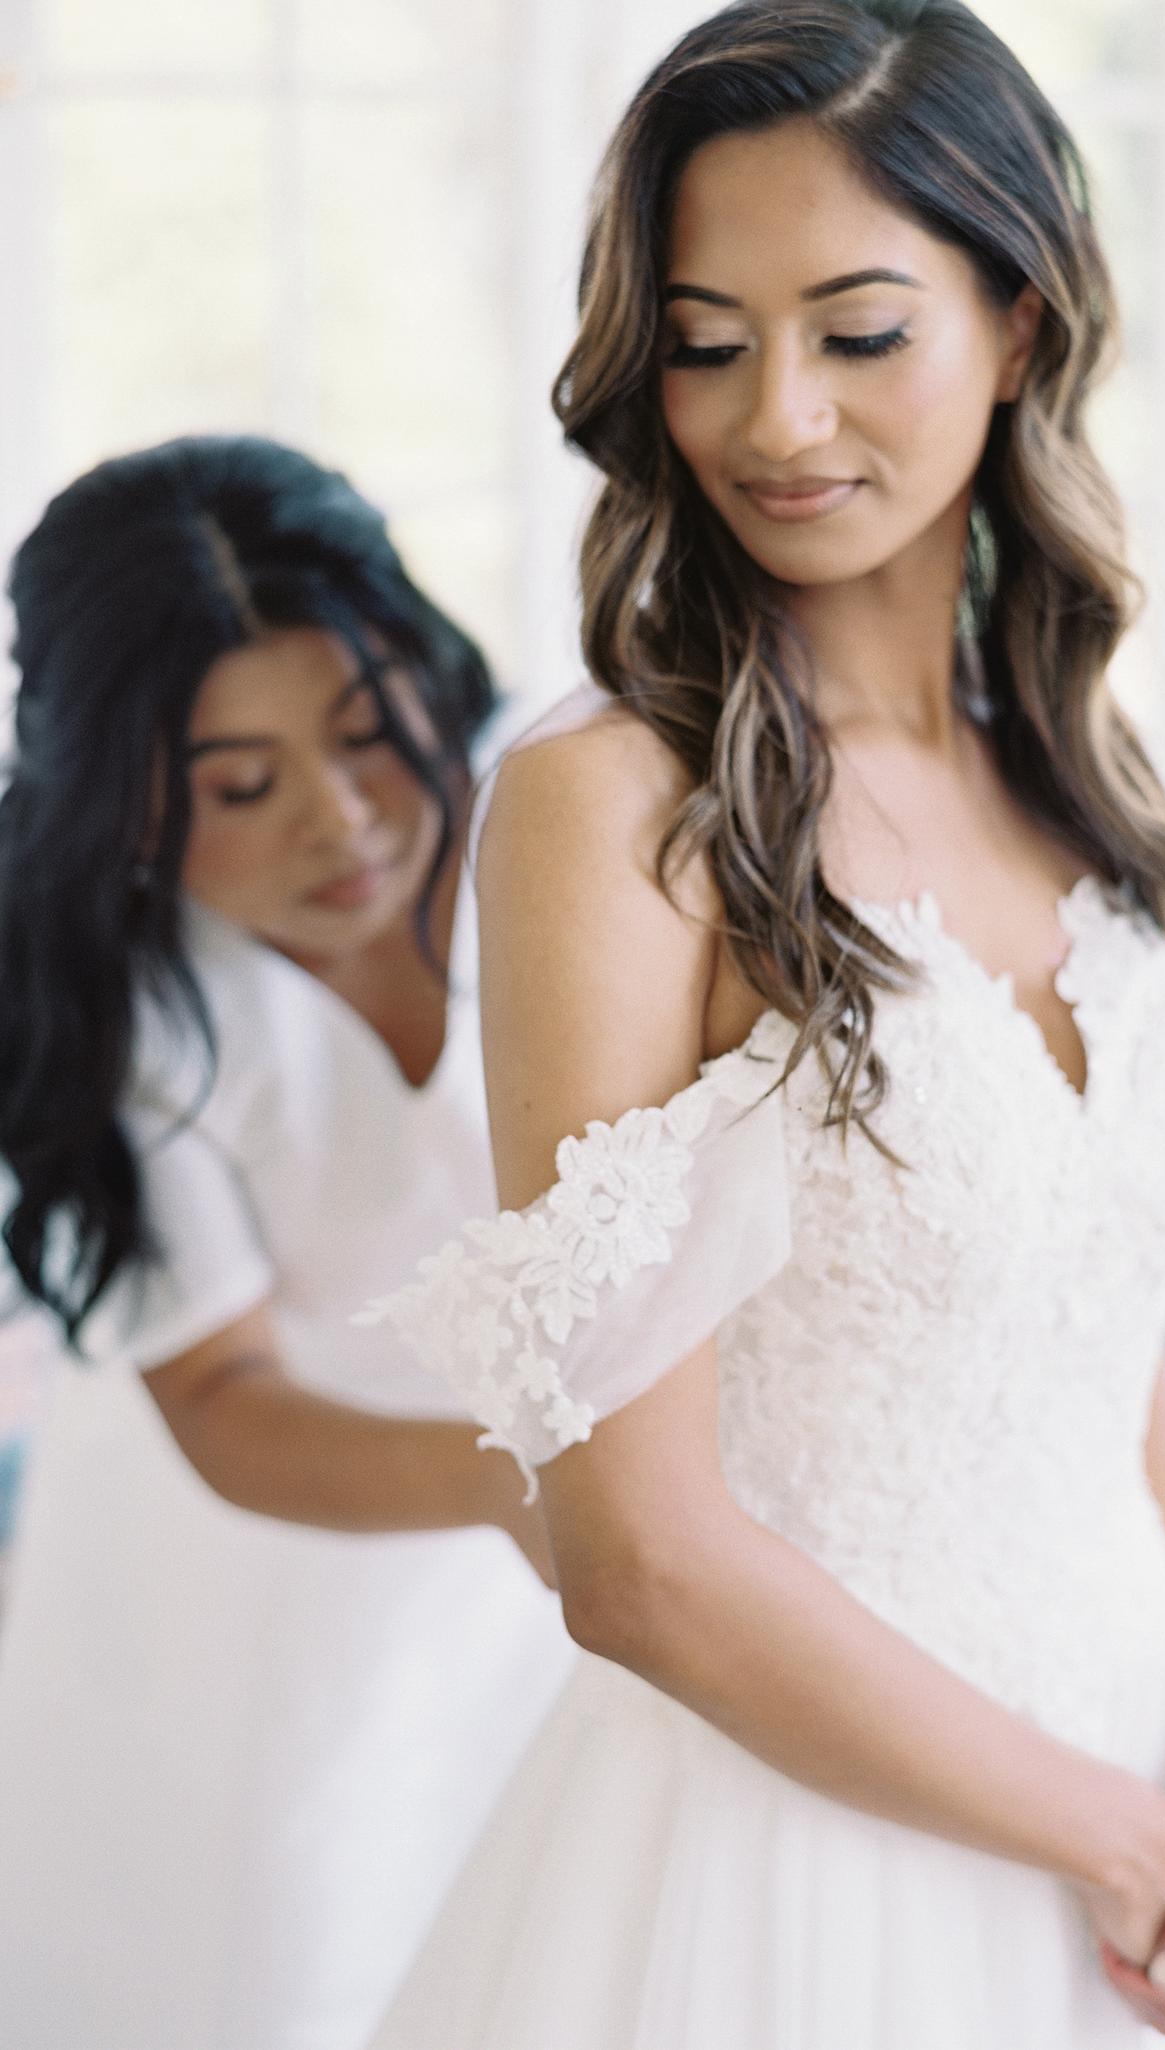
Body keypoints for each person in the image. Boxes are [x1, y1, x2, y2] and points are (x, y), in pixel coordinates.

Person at [362, 4, 1165, 2044]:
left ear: (1020, 314)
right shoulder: (615, 800)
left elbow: (1082, 1307)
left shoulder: (1062, 761)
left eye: (855, 329)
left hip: (1133, 1795)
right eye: (705, 341)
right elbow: (625, 1555)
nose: (773, 417)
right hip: (801, 1867)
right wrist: (1110, 1832)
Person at [0, 436, 575, 2050]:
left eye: (368, 731)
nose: (343, 821)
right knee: (280, 1957)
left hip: (544, 1531)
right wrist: (503, 1483)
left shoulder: (555, 818)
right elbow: (227, 1394)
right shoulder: (142, 1003)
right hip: (243, 1560)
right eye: (241, 787)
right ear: (123, 809)